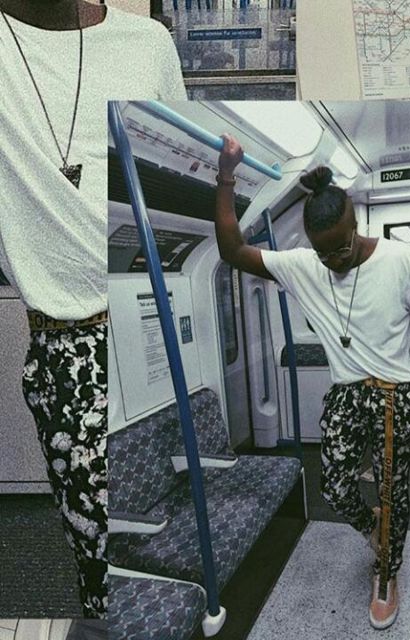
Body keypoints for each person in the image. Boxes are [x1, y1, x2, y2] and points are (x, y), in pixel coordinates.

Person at [0, 0, 186, 618]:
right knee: (96, 562)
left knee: (142, 525)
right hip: (66, 349)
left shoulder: (149, 44)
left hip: (139, 322)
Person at [215, 135, 410, 629]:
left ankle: (386, 573)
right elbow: (232, 250)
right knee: (336, 485)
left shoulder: (402, 260)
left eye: (341, 247)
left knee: (392, 489)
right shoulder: (304, 266)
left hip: (394, 391)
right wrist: (226, 175)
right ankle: (375, 530)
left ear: (356, 224)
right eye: (324, 253)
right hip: (346, 393)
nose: (334, 260)